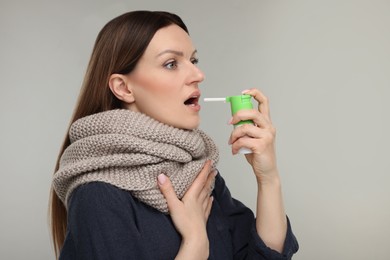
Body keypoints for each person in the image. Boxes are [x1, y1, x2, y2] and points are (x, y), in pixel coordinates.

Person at [49, 10, 299, 260]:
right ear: (124, 88)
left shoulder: (197, 172)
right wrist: (195, 244)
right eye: (171, 64)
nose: (197, 75)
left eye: (194, 61)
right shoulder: (98, 194)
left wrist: (268, 179)